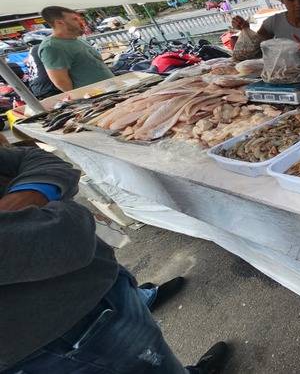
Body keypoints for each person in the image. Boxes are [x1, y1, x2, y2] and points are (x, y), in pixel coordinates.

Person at [0, 146, 229, 373]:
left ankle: (141, 299)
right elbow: (69, 231)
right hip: (57, 335)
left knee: (149, 343)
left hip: (98, 280)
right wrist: (40, 205)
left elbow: (36, 157)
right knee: (150, 364)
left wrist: (23, 201)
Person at [38, 6, 114, 92]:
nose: (82, 22)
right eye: (75, 19)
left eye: (80, 19)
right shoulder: (51, 47)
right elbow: (61, 82)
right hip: (96, 97)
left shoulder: (77, 39)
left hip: (111, 89)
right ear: (59, 23)